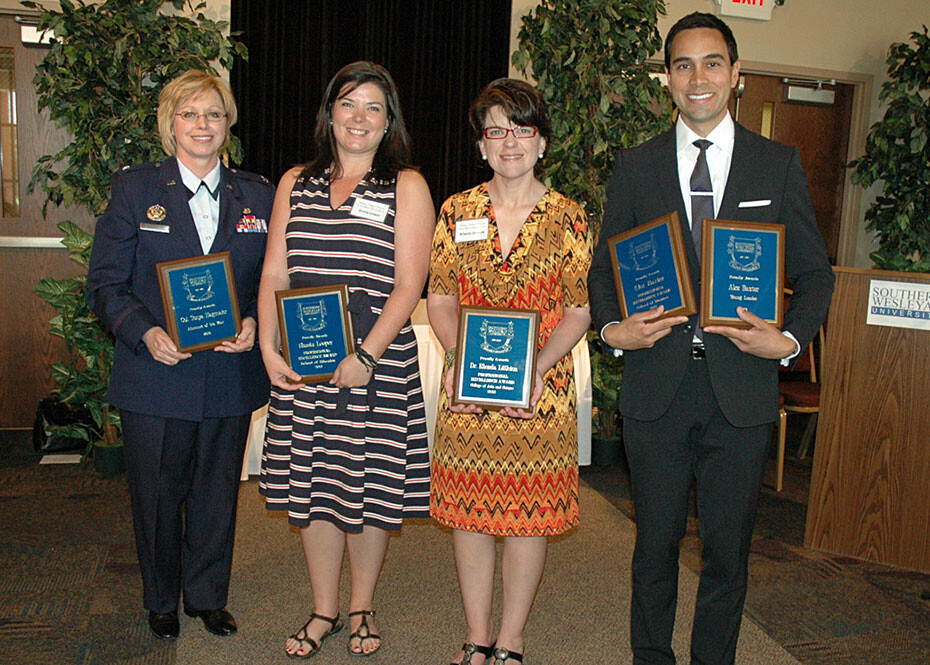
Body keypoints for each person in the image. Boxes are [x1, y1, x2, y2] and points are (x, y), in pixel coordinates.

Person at [588, 12, 835, 665]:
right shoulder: (636, 167)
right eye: (683, 64)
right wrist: (615, 330)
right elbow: (602, 273)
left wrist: (785, 341)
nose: (698, 77)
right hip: (657, 394)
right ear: (667, 79)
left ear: (736, 76)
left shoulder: (776, 164)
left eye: (712, 62)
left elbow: (815, 275)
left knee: (728, 555)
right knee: (654, 548)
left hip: (742, 395)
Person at [86, 70, 273, 640]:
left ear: (228, 124)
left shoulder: (259, 195)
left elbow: (275, 279)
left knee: (218, 494)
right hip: (155, 375)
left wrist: (254, 321)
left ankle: (208, 597)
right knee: (158, 495)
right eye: (189, 114)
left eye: (213, 114)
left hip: (228, 373)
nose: (202, 125)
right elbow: (105, 284)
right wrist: (143, 332)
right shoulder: (136, 190)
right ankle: (162, 600)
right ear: (170, 125)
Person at [257, 61, 435, 659]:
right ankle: (323, 608)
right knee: (314, 487)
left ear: (389, 124)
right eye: (348, 104)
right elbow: (276, 271)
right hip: (305, 362)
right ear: (329, 113)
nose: (359, 118)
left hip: (374, 361)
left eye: (373, 108)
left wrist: (366, 353)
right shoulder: (293, 183)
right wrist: (267, 348)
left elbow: (410, 284)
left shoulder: (405, 185)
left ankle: (361, 606)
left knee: (366, 488)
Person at [428, 78, 592, 665]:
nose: (510, 141)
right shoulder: (456, 212)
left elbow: (578, 311)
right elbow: (441, 299)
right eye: (496, 130)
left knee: (528, 519)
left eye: (522, 129)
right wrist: (459, 359)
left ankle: (512, 635)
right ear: (481, 146)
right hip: (467, 391)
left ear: (542, 142)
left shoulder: (569, 218)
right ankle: (476, 633)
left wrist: (535, 369)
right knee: (471, 517)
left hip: (540, 393)